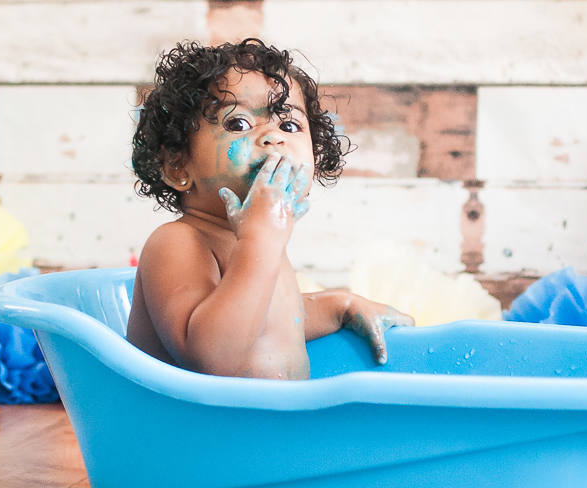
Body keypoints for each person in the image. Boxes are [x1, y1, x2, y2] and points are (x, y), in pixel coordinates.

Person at [126, 38, 413, 379]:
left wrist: (340, 306)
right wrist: (259, 244)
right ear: (177, 164)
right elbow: (210, 358)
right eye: (238, 123)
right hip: (196, 431)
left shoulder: (258, 244)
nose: (274, 138)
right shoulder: (177, 243)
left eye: (289, 125)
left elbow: (269, 324)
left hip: (271, 427)